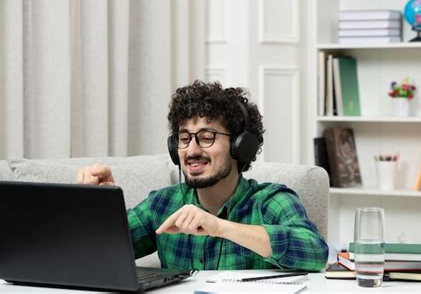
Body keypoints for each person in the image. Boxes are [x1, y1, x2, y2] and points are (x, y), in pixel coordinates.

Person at [76, 80, 328, 271]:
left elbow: (315, 253)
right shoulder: (162, 204)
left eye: (207, 138)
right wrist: (102, 205)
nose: (192, 150)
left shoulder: (271, 200)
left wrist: (219, 227)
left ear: (241, 146)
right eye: (184, 139)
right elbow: (97, 254)